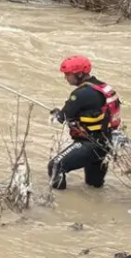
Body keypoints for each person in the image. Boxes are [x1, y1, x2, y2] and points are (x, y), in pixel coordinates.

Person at [48, 55, 122, 190]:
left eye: (68, 74)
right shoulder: (103, 87)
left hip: (90, 144)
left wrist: (56, 113)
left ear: (79, 74)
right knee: (94, 187)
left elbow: (62, 117)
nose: (65, 77)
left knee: (55, 166)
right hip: (106, 144)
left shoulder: (80, 94)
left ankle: (59, 204)